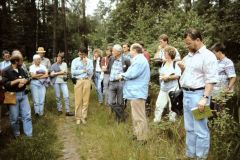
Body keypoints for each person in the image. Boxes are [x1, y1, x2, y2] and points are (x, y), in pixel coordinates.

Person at [178, 28, 218, 159]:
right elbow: (191, 75)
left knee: (200, 129)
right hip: (187, 94)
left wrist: (205, 98)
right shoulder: (189, 56)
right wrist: (183, 69)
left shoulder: (208, 56)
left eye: (189, 43)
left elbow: (210, 79)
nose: (187, 45)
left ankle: (201, 157)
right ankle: (191, 155)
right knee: (189, 128)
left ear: (198, 40)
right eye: (186, 43)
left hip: (199, 95)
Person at [117, 43, 150, 143]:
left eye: (130, 50)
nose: (129, 52)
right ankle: (137, 135)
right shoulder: (138, 59)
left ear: (134, 51)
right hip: (135, 92)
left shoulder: (139, 60)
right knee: (135, 116)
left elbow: (132, 73)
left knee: (139, 116)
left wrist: (122, 75)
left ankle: (142, 139)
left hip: (138, 92)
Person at [2, 50, 32, 138]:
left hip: (23, 95)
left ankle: (29, 136)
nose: (22, 62)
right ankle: (17, 135)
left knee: (27, 116)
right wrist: (18, 81)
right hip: (12, 95)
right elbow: (6, 84)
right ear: (15, 61)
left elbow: (27, 78)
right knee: (14, 118)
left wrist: (24, 82)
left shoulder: (21, 69)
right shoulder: (6, 71)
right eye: (20, 60)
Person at [153, 46, 181, 123]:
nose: (164, 54)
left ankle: (172, 122)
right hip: (163, 88)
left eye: (165, 52)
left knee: (172, 106)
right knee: (159, 105)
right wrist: (162, 77)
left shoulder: (176, 63)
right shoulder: (164, 63)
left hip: (173, 88)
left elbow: (178, 76)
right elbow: (161, 73)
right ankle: (156, 121)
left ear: (169, 54)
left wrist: (168, 77)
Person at [107, 44, 130, 122]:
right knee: (110, 102)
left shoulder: (126, 60)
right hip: (111, 82)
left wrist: (124, 78)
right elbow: (108, 68)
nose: (112, 52)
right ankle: (124, 115)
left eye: (113, 51)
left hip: (121, 83)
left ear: (119, 52)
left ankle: (119, 120)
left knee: (120, 102)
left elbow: (129, 71)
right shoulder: (111, 58)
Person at [210, 42, 236, 111]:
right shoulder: (216, 62)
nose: (213, 55)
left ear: (219, 52)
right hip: (214, 92)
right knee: (214, 111)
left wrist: (228, 89)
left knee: (221, 111)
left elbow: (233, 77)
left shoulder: (228, 62)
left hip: (222, 92)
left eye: (214, 53)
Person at [71, 47, 93, 125]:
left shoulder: (89, 61)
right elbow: (73, 72)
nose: (80, 55)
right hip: (78, 81)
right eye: (79, 54)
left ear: (85, 54)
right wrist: (83, 70)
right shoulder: (75, 61)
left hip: (87, 80)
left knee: (86, 100)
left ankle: (84, 117)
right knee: (78, 100)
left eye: (82, 54)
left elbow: (90, 72)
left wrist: (85, 64)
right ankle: (78, 117)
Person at [0, 50, 11, 134]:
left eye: (8, 56)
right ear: (3, 56)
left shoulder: (12, 62)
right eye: (5, 56)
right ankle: (7, 110)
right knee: (4, 96)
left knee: (10, 96)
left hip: (10, 82)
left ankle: (11, 111)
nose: (7, 57)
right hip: (3, 82)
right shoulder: (1, 64)